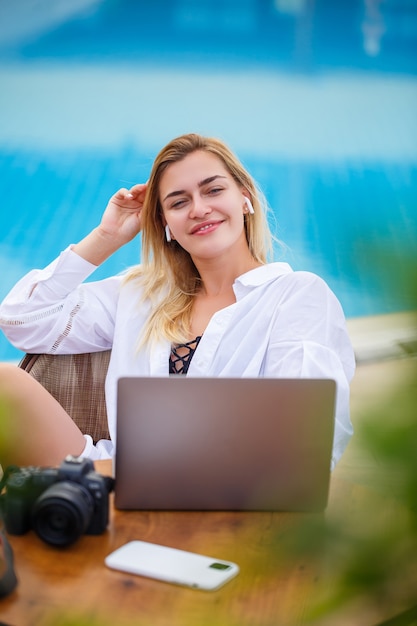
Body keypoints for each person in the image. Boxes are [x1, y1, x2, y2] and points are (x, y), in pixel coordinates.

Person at [0, 133, 355, 469]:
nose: (199, 209)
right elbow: (22, 319)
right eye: (179, 202)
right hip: (115, 479)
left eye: (213, 190)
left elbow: (310, 435)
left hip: (235, 487)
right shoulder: (142, 294)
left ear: (245, 199)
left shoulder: (295, 296)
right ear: (166, 223)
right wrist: (106, 237)